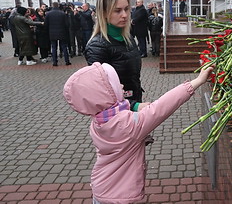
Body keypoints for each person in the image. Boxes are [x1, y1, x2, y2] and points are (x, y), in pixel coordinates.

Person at [63, 61, 214, 203]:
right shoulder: (128, 125)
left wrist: (135, 107)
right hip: (118, 196)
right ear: (106, 94)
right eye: (115, 84)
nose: (121, 85)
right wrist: (197, 81)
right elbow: (160, 108)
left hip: (101, 189)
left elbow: (119, 114)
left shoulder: (98, 121)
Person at [84, 0, 143, 107]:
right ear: (104, 13)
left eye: (127, 9)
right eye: (117, 10)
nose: (124, 15)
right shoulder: (97, 46)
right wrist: (134, 106)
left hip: (134, 105)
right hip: (116, 114)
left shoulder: (128, 38)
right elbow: (101, 92)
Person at [45, 2, 71, 66]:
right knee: (64, 47)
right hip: (62, 32)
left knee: (54, 48)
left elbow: (46, 24)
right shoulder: (62, 13)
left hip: (52, 33)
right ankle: (67, 61)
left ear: (52, 6)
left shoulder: (48, 14)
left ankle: (55, 62)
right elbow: (67, 24)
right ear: (58, 6)